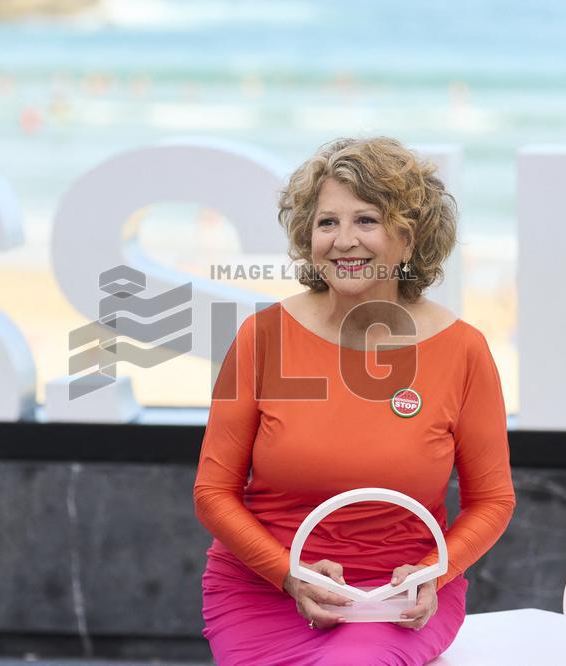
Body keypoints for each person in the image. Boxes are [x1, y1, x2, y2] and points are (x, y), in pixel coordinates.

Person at [193, 136, 516, 665]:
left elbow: (493, 501)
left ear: (409, 240)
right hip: (263, 587)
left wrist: (439, 569)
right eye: (327, 223)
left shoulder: (463, 351)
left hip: (398, 598)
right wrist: (287, 573)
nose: (344, 241)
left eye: (367, 220)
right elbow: (212, 492)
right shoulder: (260, 338)